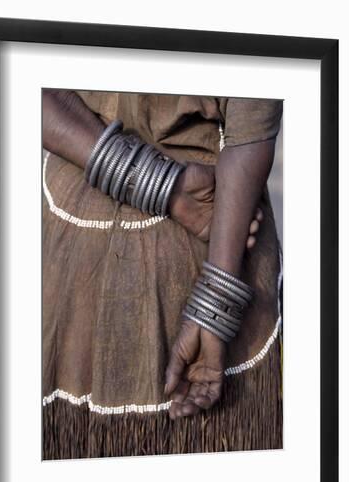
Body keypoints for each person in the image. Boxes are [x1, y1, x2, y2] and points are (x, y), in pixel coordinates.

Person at [42, 90, 283, 459]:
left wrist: (163, 185)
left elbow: (17, 85)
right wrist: (215, 309)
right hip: (219, 231)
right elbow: (250, 128)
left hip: (71, 249)